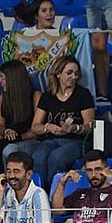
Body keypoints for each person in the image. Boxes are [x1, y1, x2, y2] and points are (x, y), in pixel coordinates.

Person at [28, 55, 95, 187]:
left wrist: (75, 128)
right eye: (69, 73)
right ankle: (41, 193)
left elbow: (90, 126)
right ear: (58, 74)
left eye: (76, 73)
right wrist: (48, 127)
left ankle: (54, 194)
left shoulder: (83, 94)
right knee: (38, 156)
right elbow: (35, 127)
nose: (74, 77)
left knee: (56, 157)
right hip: (50, 140)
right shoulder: (48, 95)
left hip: (76, 141)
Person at [2, 0, 92, 94]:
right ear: (36, 16)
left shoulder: (62, 36)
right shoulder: (24, 34)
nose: (49, 13)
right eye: (44, 10)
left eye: (51, 10)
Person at [0, 59, 42, 167]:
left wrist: (16, 137)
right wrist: (6, 131)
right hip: (8, 140)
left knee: (10, 151)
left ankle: (11, 182)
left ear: (13, 79)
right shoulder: (2, 98)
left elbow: (36, 131)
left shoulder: (35, 96)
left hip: (29, 141)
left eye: (2, 77)